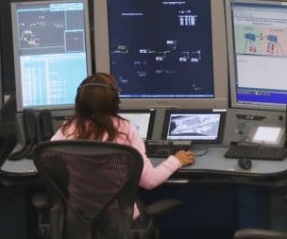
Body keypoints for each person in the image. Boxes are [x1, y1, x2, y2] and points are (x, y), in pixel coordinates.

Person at [51, 73, 194, 222]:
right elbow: (150, 181)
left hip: (79, 219)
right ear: (115, 102)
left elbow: (47, 159)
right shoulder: (126, 130)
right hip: (119, 222)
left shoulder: (66, 130)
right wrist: (176, 160)